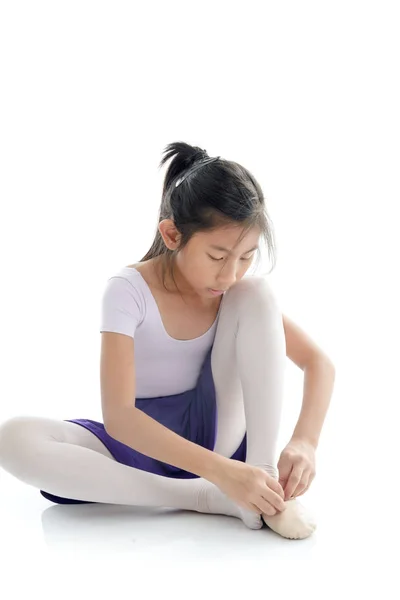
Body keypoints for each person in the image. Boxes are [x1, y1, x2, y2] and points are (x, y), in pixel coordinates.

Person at [0, 142, 316, 539]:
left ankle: (262, 482)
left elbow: (319, 364)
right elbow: (119, 418)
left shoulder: (236, 293)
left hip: (219, 429)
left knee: (257, 293)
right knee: (14, 438)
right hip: (144, 441)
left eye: (246, 256)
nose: (230, 274)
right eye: (218, 257)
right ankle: (206, 496)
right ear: (171, 234)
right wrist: (222, 475)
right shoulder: (127, 290)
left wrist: (305, 441)